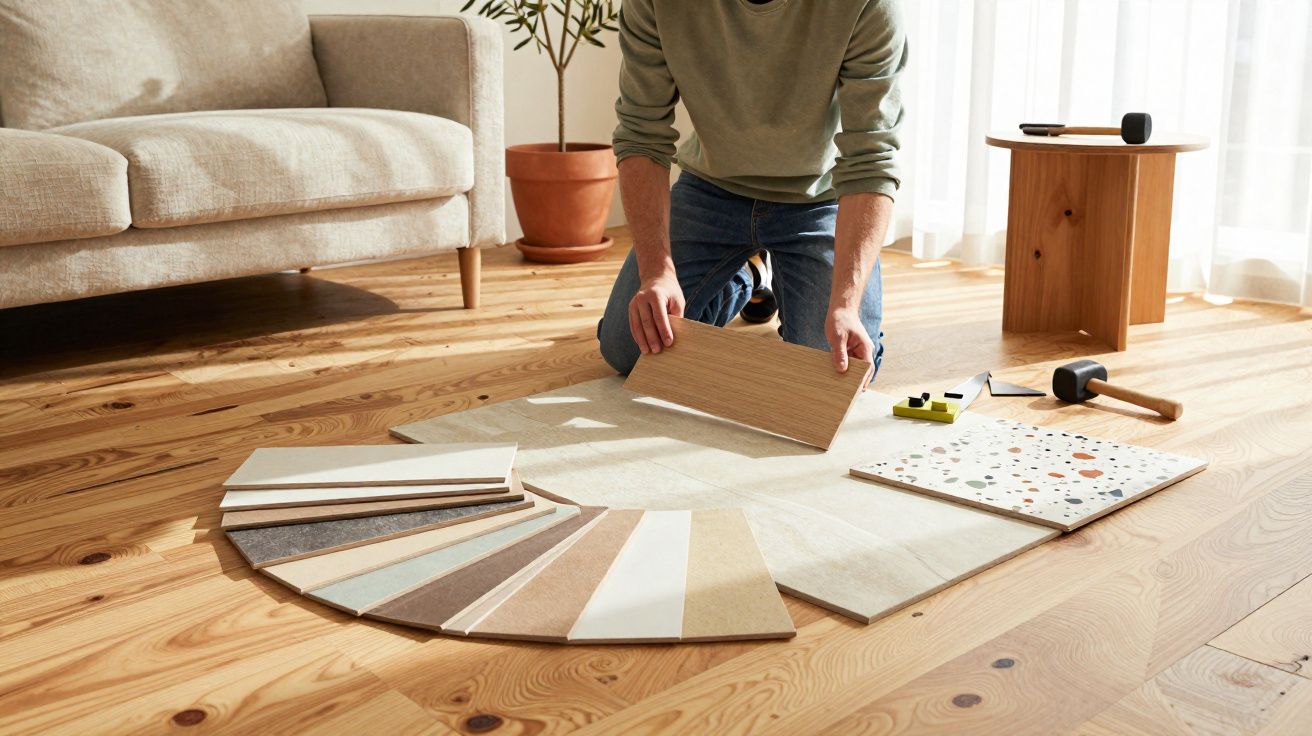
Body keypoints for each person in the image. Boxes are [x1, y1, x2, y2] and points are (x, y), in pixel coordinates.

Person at [596, 0, 906, 380]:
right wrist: (656, 273)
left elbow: (871, 160)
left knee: (833, 372)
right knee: (629, 349)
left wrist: (846, 304)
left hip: (818, 200)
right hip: (710, 188)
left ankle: (769, 277)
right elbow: (642, 137)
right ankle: (750, 274)